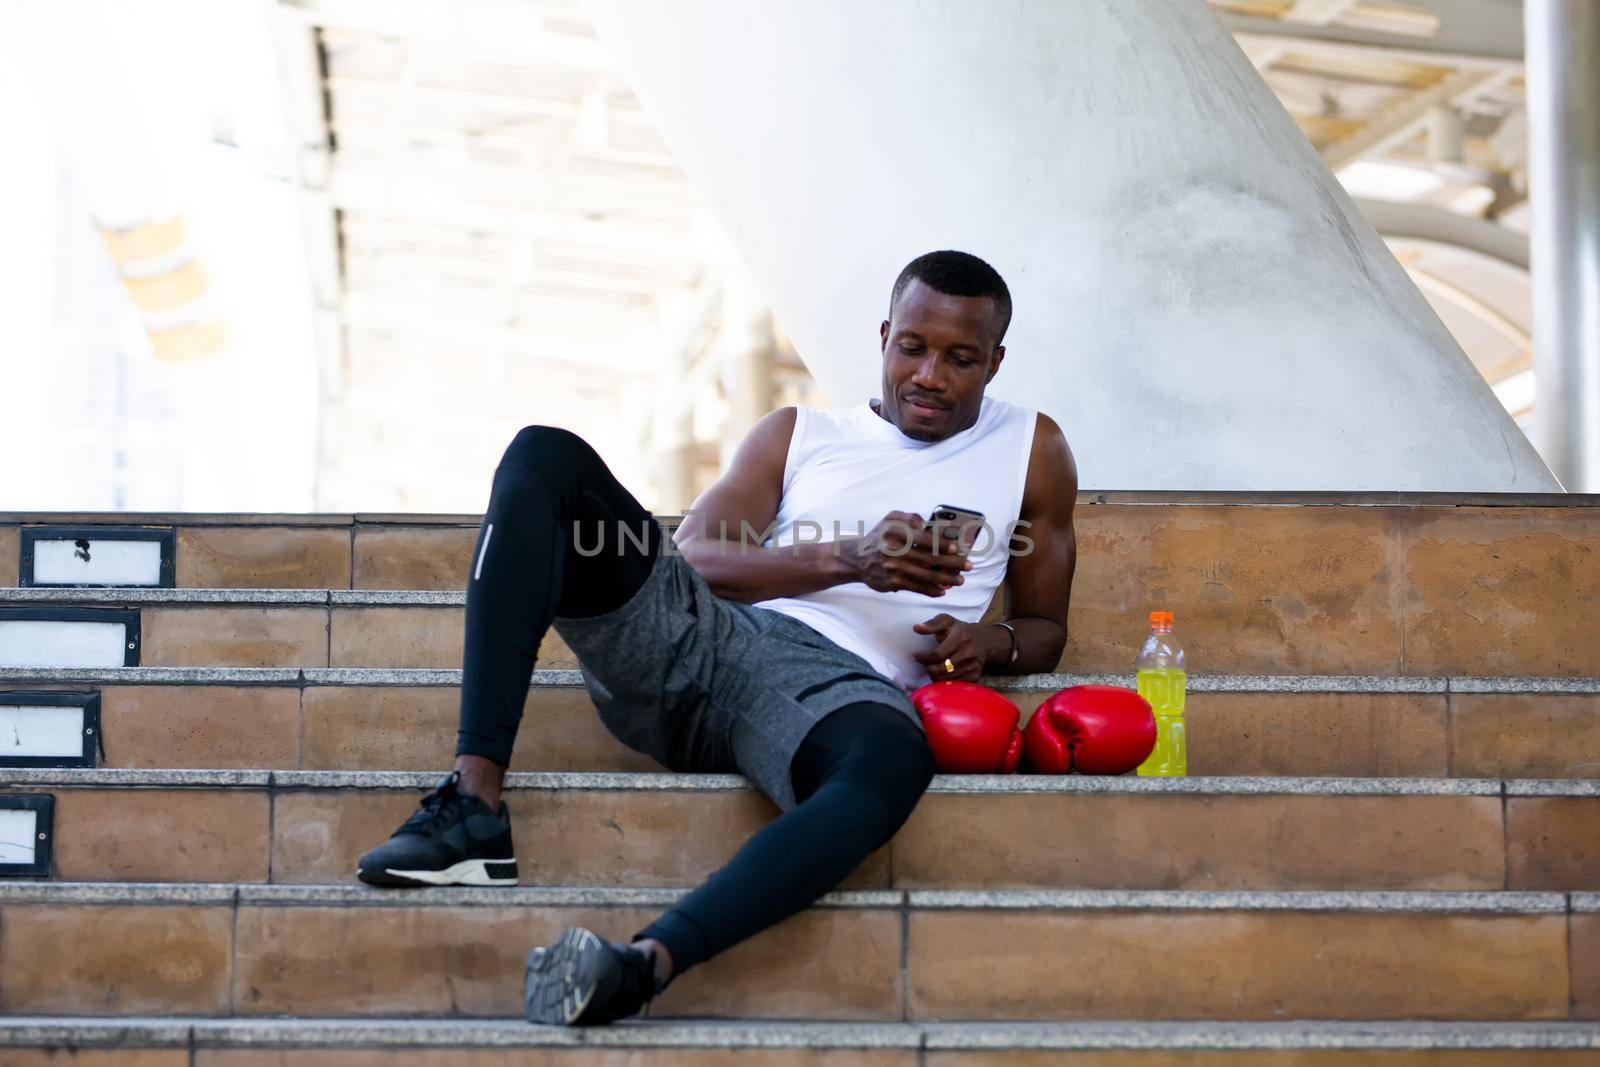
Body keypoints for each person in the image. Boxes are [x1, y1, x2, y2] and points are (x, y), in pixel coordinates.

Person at [356, 249, 1080, 1026]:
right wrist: (850, 557)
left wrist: (987, 643)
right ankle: (472, 807)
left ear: (996, 362)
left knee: (893, 761)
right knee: (544, 454)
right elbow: (694, 556)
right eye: (912, 347)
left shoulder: (1031, 450)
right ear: (882, 336)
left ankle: (643, 964)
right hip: (708, 641)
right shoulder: (799, 433)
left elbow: (1044, 629)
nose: (930, 374)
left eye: (960, 358)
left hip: (840, 695)